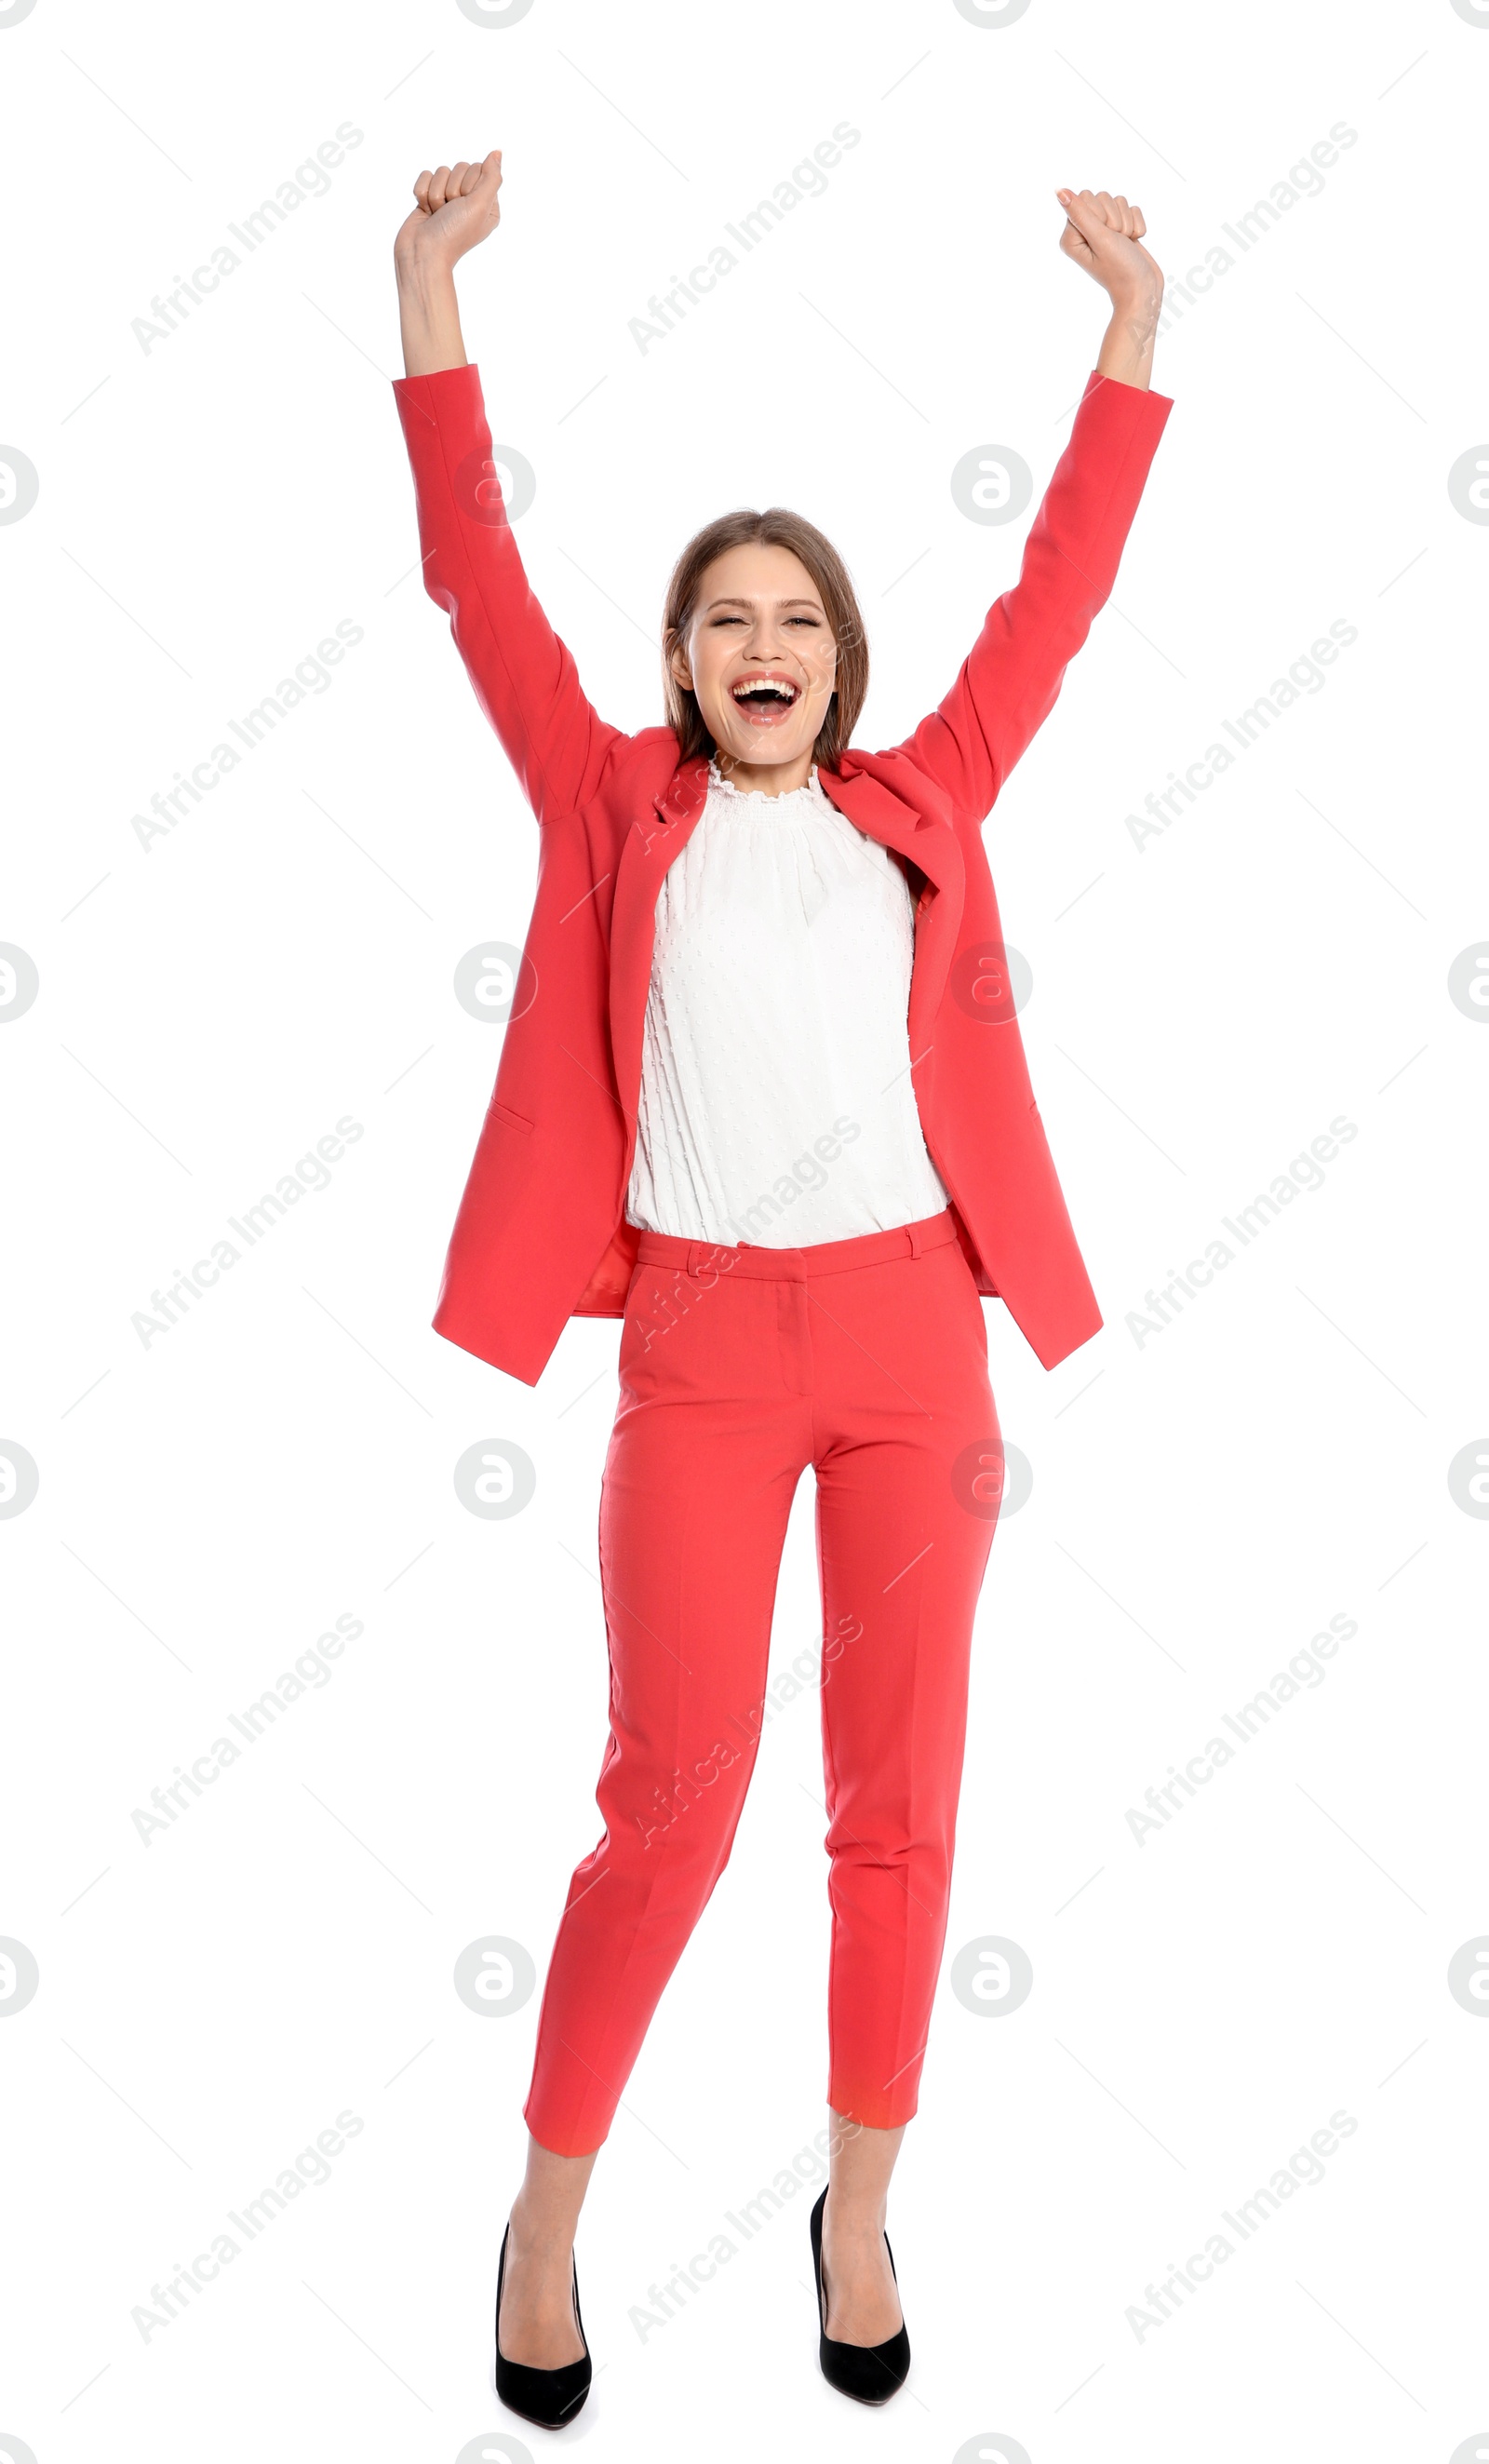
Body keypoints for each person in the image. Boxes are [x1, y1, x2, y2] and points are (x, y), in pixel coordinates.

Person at [391, 150, 1170, 2424]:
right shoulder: (606, 802)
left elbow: (1071, 581)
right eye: (724, 617)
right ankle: (542, 2216)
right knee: (675, 1794)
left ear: (840, 660)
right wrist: (432, 294)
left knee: (897, 1798)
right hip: (706, 1351)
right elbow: (468, 583)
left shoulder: (925, 791)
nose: (760, 647)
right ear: (677, 659)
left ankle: (856, 2202)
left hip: (913, 1322)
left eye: (796, 621)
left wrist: (1127, 321)